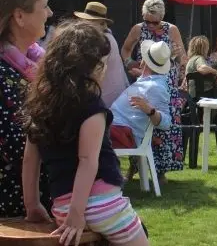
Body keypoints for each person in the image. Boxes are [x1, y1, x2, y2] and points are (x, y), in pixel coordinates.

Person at [22, 21, 149, 245]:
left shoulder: (40, 104)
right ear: (92, 67)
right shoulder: (92, 106)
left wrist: (32, 205)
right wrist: (77, 213)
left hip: (61, 207)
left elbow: (30, 159)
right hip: (102, 206)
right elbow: (88, 161)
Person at [0, 0, 52, 218]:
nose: (50, 13)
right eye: (44, 6)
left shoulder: (36, 65)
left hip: (47, 197)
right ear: (19, 16)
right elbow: (17, 142)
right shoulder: (4, 74)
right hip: (14, 208)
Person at [120, 0, 186, 183]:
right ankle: (135, 167)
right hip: (145, 81)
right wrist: (129, 64)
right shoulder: (138, 29)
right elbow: (125, 49)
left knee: (162, 128)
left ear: (162, 17)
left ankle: (161, 171)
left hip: (167, 85)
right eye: (147, 21)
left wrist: (175, 56)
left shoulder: (171, 30)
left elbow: (183, 57)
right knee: (139, 124)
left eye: (154, 22)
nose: (150, 25)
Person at [110, 41, 172, 149]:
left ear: (145, 60)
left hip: (121, 132)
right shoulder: (148, 81)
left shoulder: (156, 87)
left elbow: (167, 123)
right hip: (114, 128)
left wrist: (150, 110)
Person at [74, 2, 130, 107]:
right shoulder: (104, 37)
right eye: (84, 19)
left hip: (108, 101)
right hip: (113, 97)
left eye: (89, 20)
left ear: (101, 23)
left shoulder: (102, 41)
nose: (83, 23)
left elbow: (95, 74)